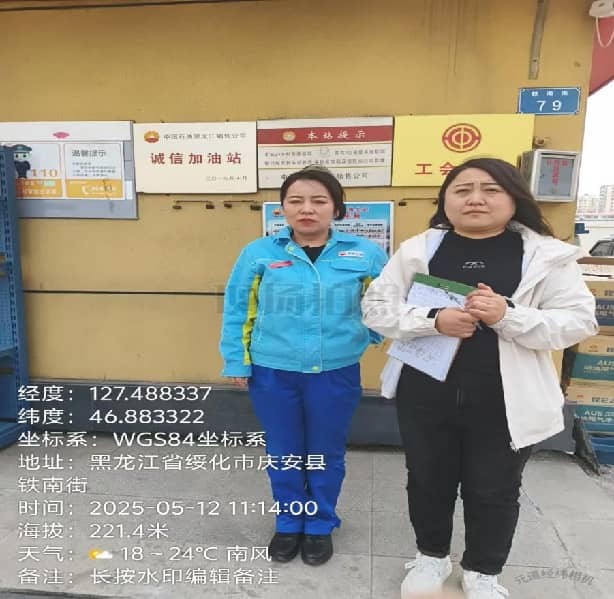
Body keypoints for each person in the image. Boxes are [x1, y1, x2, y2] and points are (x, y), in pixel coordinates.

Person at [361, 158, 597, 599]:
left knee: (494, 488)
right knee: (427, 479)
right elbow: (376, 309)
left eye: (490, 190)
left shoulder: (545, 256)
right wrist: (434, 319)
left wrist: (508, 315)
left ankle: (483, 571)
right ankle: (431, 557)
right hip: (426, 389)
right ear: (445, 200)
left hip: (506, 396)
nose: (475, 199)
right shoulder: (418, 249)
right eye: (462, 189)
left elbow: (578, 322)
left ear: (514, 198)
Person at [219, 165, 388, 566]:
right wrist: (237, 361)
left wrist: (369, 337)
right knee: (284, 451)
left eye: (318, 201)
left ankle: (319, 524)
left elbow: (385, 303)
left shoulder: (365, 254)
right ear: (282, 208)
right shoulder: (259, 253)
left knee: (326, 451)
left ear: (337, 208)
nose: (306, 209)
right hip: (273, 371)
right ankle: (289, 521)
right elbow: (239, 308)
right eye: (295, 201)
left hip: (335, 372)